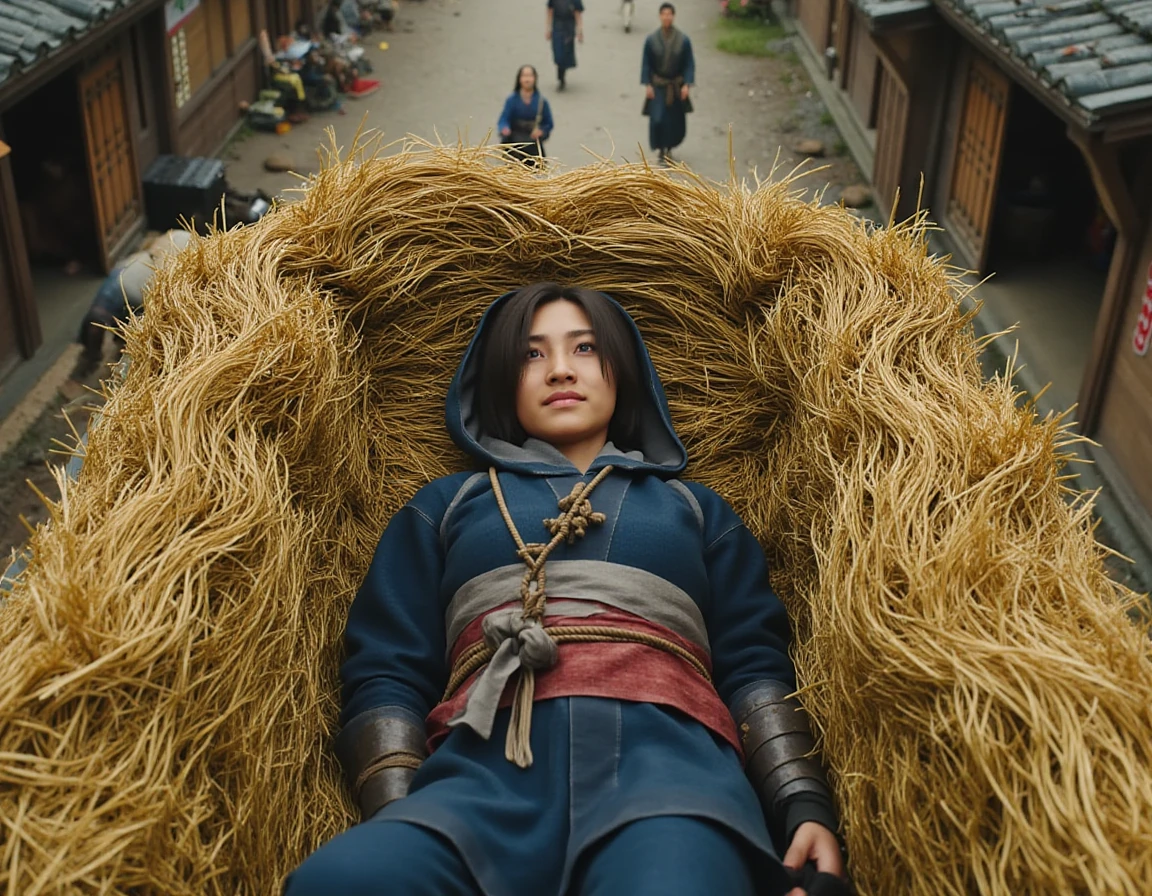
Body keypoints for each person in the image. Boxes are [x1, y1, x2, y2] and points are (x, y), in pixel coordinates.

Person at [284, 283, 849, 896]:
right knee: (337, 881)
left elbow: (753, 668)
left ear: (623, 370)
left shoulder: (694, 509)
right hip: (478, 787)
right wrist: (396, 811)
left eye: (583, 348)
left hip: (671, 780)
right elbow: (387, 670)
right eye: (531, 355)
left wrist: (801, 805)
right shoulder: (447, 507)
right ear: (499, 380)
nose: (558, 370)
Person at [74, 231, 193, 377]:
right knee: (97, 324)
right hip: (126, 284)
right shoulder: (178, 239)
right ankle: (90, 358)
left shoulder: (184, 246)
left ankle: (105, 358)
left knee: (128, 336)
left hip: (139, 291)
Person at [641, 2, 695, 164]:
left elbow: (689, 64)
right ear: (660, 16)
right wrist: (648, 84)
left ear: (673, 16)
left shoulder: (683, 40)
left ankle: (668, 148)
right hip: (659, 85)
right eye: (664, 14)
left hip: (676, 86)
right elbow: (646, 64)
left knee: (673, 120)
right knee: (658, 119)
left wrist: (687, 84)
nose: (666, 17)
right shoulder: (651, 40)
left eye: (669, 14)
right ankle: (661, 149)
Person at [498, 65, 554, 167]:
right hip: (515, 145)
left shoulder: (541, 101)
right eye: (524, 76)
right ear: (519, 79)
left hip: (533, 144)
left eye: (530, 76)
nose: (527, 79)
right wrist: (505, 128)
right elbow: (503, 119)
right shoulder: (512, 100)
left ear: (535, 78)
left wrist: (541, 131)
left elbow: (548, 123)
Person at [546, 0, 583, 90]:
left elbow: (577, 15)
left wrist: (580, 31)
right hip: (557, 28)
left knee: (565, 54)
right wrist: (548, 29)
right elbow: (550, 12)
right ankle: (561, 73)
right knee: (558, 53)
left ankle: (561, 79)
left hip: (568, 30)